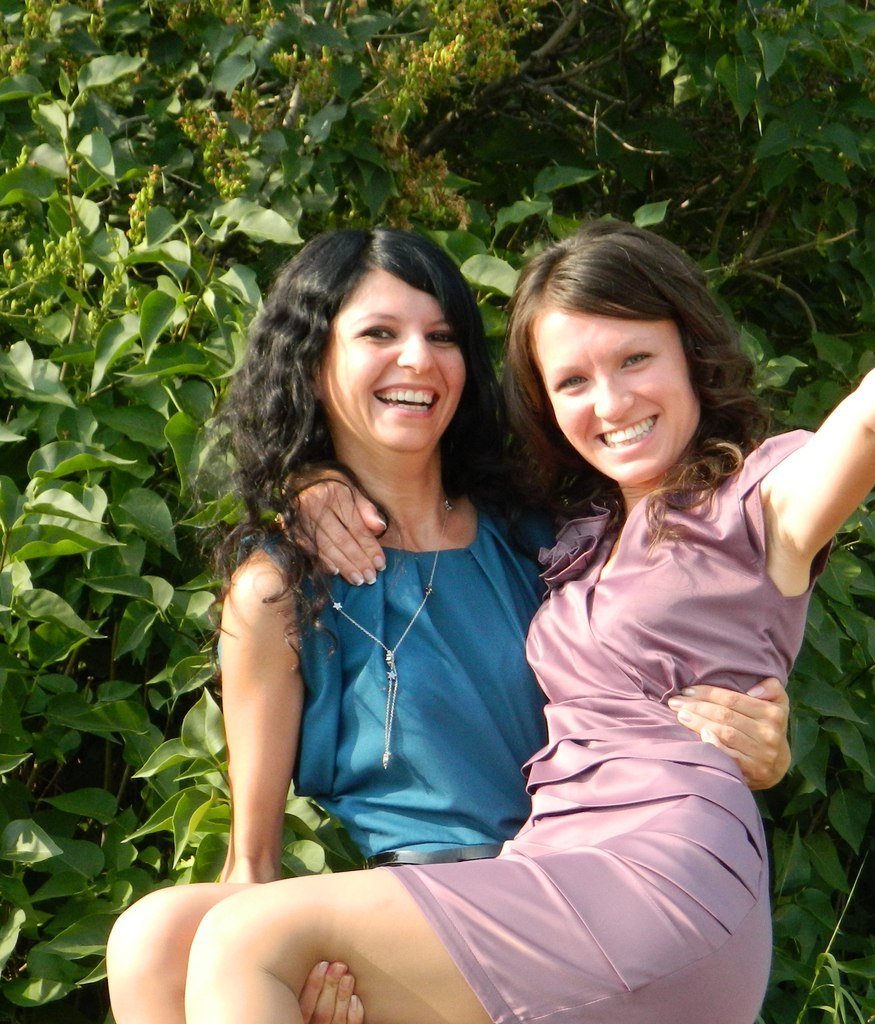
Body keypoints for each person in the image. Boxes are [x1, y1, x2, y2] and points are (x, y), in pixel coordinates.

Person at [168, 162, 875, 1024]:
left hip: (658, 873)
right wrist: (306, 480)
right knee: (157, 942)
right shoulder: (571, 533)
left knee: (249, 943)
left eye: (635, 359)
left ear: (689, 352)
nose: (612, 402)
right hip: (549, 868)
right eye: (573, 383)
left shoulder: (757, 502)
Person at [104, 227, 792, 1024]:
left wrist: (761, 741)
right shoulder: (277, 590)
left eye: (441, 337)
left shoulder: (547, 536)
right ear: (313, 361)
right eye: (378, 334)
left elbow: (683, 649)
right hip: (411, 906)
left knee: (249, 940)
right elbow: (250, 867)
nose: (417, 360)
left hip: (584, 887)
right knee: (152, 939)